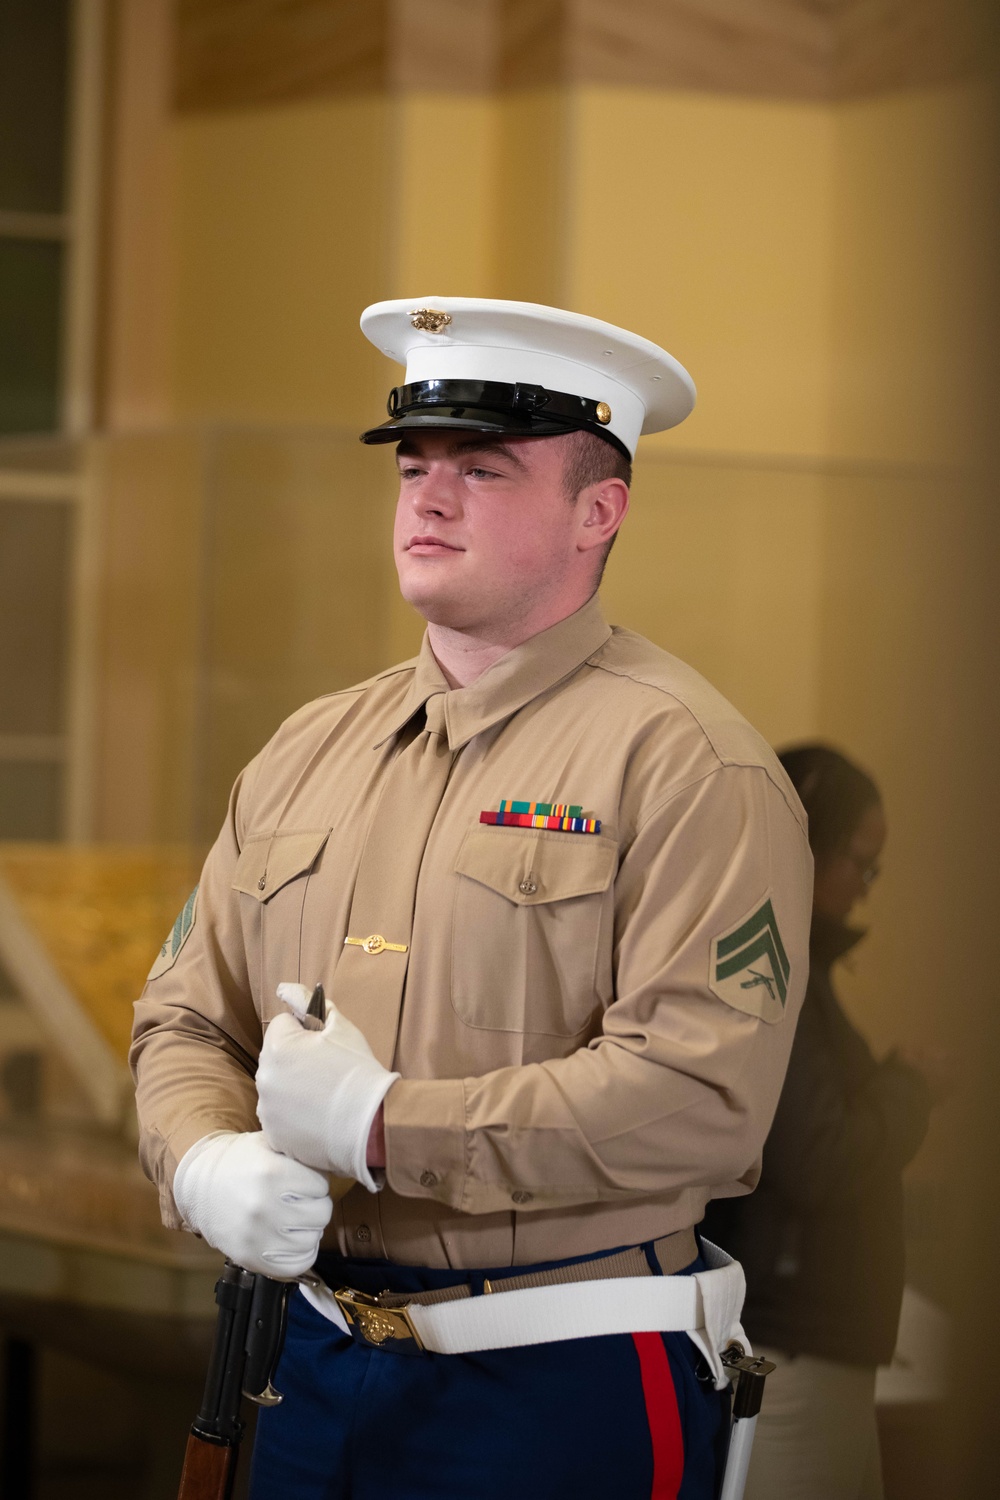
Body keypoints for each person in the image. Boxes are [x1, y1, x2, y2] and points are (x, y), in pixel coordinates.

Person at [130, 297, 813, 1499]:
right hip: (307, 1367)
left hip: (559, 1381)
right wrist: (200, 1163)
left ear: (598, 511)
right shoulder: (305, 749)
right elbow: (185, 1018)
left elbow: (704, 1096)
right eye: (414, 464)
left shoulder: (689, 763)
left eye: (483, 469)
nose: (427, 499)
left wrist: (390, 1127)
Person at [702, 742, 949, 1500]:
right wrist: (910, 1087)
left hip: (814, 1343)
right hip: (792, 1346)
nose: (866, 893)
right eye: (862, 866)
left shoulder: (785, 957)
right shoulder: (765, 961)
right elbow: (815, 1153)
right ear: (809, 845)